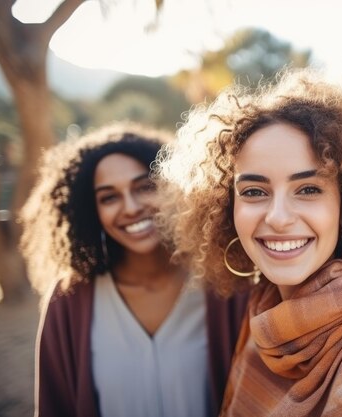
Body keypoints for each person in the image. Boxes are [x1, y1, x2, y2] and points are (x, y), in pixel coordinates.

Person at [155, 68, 342, 416]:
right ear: (227, 208)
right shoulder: (264, 311)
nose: (277, 217)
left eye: (308, 189)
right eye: (254, 191)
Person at [19, 122, 247, 417]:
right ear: (91, 211)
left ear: (172, 187)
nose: (130, 207)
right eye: (109, 197)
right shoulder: (69, 301)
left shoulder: (225, 285)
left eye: (145, 187)